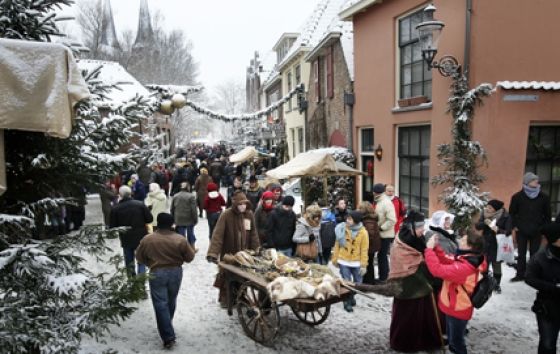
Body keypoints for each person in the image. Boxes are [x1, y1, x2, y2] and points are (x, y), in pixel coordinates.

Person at [135, 213, 195, 349]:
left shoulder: (148, 239)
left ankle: (167, 335)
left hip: (157, 272)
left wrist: (150, 263)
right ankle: (167, 326)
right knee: (171, 300)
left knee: (160, 303)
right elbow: (190, 257)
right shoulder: (180, 239)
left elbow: (139, 257)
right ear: (172, 224)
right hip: (175, 272)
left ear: (158, 223)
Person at [425, 229, 487, 354]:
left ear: (469, 246)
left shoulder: (466, 267)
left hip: (458, 309)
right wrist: (437, 248)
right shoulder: (467, 258)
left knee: (456, 343)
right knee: (452, 337)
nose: (460, 240)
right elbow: (448, 261)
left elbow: (437, 270)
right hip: (453, 305)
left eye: (463, 240)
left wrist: (429, 250)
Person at [388, 210, 441, 353]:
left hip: (422, 282)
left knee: (424, 314)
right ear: (410, 226)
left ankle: (425, 340)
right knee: (408, 316)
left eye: (423, 226)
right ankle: (405, 342)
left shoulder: (419, 237)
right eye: (419, 227)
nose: (422, 230)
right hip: (407, 286)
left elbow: (423, 255)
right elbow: (403, 262)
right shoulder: (403, 241)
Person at [207, 192, 260, 306]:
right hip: (229, 253)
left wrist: (256, 249)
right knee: (227, 276)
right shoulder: (226, 215)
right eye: (240, 204)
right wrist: (213, 253)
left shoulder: (249, 214)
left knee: (243, 277)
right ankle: (225, 299)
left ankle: (240, 298)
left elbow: (253, 233)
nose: (243, 206)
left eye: (244, 204)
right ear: (235, 204)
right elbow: (218, 234)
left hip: (244, 254)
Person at [509, 172, 551, 282]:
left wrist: (544, 228)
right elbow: (512, 213)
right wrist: (515, 226)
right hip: (521, 230)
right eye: (533, 180)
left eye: (537, 180)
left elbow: (548, 215)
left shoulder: (544, 197)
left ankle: (532, 275)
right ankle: (520, 274)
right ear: (527, 182)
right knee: (521, 254)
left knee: (535, 254)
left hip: (537, 230)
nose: (537, 182)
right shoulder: (517, 197)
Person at [525, 222, 560, 354]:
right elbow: (529, 278)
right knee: (548, 343)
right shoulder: (541, 257)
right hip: (548, 307)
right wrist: (553, 287)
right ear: (555, 239)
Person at [110, 186, 153, 278]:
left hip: (126, 238)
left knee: (129, 261)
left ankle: (131, 280)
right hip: (141, 236)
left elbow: (112, 226)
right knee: (141, 259)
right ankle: (141, 279)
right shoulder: (140, 204)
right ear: (130, 193)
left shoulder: (116, 208)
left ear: (120, 195)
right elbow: (149, 219)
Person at [332, 210, 369, 312]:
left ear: (356, 221)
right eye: (347, 218)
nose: (347, 221)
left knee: (358, 283)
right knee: (347, 283)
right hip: (343, 260)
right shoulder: (341, 229)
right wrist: (335, 258)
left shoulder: (363, 233)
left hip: (356, 262)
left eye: (350, 219)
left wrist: (363, 265)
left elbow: (364, 250)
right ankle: (346, 301)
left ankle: (350, 296)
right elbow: (337, 245)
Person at [476, 199, 512, 293]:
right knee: (484, 264)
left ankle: (496, 285)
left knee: (496, 264)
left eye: (490, 207)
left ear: (496, 209)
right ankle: (484, 284)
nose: (487, 209)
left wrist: (496, 229)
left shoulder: (505, 216)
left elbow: (508, 231)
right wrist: (485, 223)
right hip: (486, 242)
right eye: (487, 206)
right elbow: (477, 226)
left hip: (498, 244)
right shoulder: (484, 214)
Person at [373, 183, 397, 282]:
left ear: (375, 192)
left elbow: (392, 220)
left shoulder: (385, 202)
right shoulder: (380, 201)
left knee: (382, 256)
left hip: (385, 234)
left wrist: (381, 228)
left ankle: (384, 278)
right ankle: (383, 277)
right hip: (382, 233)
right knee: (381, 255)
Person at [357, 201, 381, 284]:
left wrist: (364, 245)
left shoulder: (368, 220)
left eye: (360, 208)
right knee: (369, 263)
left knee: (367, 263)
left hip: (369, 247)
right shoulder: (370, 218)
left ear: (364, 210)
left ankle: (367, 281)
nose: (358, 209)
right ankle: (369, 281)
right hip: (372, 246)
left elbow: (370, 235)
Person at [171, 182, 198, 251]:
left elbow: (172, 209)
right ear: (188, 188)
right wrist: (195, 219)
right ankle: (192, 248)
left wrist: (173, 218)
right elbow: (193, 209)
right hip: (189, 218)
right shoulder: (191, 196)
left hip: (178, 218)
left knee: (181, 234)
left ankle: (182, 249)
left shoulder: (175, 196)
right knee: (190, 233)